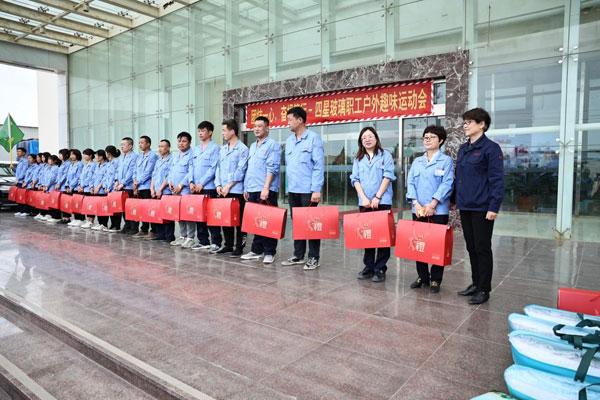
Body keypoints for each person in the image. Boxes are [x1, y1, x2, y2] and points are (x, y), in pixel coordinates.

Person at [454, 108, 505, 305]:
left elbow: (497, 180)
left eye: (469, 122)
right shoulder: (463, 148)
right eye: (464, 122)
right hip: (465, 205)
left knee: (482, 248)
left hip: (482, 207)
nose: (465, 126)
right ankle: (475, 283)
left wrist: (494, 206)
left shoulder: (491, 149)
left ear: (482, 124)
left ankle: (484, 289)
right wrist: (454, 200)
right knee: (471, 247)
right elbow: (459, 178)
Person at [406, 126, 454, 293]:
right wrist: (416, 203)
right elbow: (410, 182)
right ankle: (422, 276)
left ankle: (435, 279)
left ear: (440, 140)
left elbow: (447, 183)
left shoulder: (446, 161)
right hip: (418, 209)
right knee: (419, 242)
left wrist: (433, 204)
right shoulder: (417, 161)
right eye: (425, 137)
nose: (427, 140)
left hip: (438, 210)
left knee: (437, 244)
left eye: (432, 137)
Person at [350, 127, 396, 283]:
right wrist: (363, 198)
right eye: (364, 138)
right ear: (361, 141)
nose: (367, 140)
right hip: (365, 203)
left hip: (382, 201)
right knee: (367, 235)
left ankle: (380, 268)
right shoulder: (358, 159)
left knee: (382, 236)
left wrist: (377, 197)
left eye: (370, 136)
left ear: (376, 139)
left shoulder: (385, 155)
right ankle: (368, 266)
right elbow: (355, 179)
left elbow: (388, 176)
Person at [282, 106, 325, 270]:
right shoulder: (289, 141)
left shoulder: (314, 139)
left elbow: (318, 166)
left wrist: (316, 189)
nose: (288, 123)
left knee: (311, 224)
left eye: (290, 120)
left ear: (300, 120)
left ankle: (314, 257)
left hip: (308, 190)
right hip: (293, 190)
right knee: (298, 224)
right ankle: (298, 255)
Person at [240, 116, 282, 264]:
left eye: (260, 126)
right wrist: (246, 187)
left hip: (266, 190)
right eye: (255, 126)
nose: (257, 129)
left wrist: (266, 188)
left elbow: (273, 168)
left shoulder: (273, 145)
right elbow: (249, 168)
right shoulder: (252, 146)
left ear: (267, 128)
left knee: (268, 221)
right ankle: (256, 250)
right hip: (252, 189)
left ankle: (269, 252)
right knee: (256, 222)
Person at [215, 119, 249, 257]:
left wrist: (228, 185)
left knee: (239, 220)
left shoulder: (243, 149)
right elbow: (218, 168)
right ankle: (228, 245)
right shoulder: (223, 149)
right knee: (226, 219)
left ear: (232, 131)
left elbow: (241, 170)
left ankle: (239, 247)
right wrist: (218, 185)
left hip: (236, 190)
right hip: (223, 190)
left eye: (224, 130)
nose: (222, 133)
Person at [188, 121, 222, 252]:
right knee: (199, 215)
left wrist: (201, 183)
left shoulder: (216, 148)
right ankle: (203, 241)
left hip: (208, 187)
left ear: (210, 132)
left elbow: (214, 168)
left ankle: (216, 242)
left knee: (211, 215)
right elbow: (191, 166)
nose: (200, 133)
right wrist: (191, 182)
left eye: (203, 130)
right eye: (199, 131)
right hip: (195, 187)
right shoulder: (196, 149)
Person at [167, 132, 194, 248]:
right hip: (174, 190)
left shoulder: (191, 155)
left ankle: (190, 238)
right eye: (179, 141)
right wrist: (170, 182)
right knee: (179, 214)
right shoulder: (176, 156)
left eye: (184, 141)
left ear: (189, 142)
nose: (181, 143)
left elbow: (190, 172)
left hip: (185, 190)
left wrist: (181, 185)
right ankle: (182, 236)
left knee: (188, 214)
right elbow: (171, 171)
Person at [132, 135, 158, 239]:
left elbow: (148, 172)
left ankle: (153, 230)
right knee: (142, 209)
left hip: (147, 186)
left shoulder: (152, 156)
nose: (140, 145)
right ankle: (144, 229)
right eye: (139, 143)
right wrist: (135, 182)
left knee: (150, 209)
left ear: (148, 144)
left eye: (142, 143)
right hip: (139, 186)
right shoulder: (139, 156)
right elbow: (135, 170)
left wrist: (137, 182)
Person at [150, 139, 175, 242]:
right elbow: (154, 175)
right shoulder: (158, 161)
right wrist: (152, 189)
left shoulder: (172, 160)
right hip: (156, 191)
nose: (160, 148)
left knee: (167, 214)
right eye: (159, 146)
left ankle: (169, 236)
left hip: (165, 191)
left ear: (168, 148)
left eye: (162, 146)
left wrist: (160, 189)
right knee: (158, 213)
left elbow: (169, 176)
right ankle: (160, 234)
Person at [114, 137, 138, 234]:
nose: (121, 146)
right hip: (121, 186)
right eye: (121, 145)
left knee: (131, 208)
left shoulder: (134, 157)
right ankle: (127, 226)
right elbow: (117, 170)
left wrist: (123, 183)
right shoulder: (122, 157)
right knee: (123, 208)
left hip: (128, 187)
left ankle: (134, 227)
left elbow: (131, 172)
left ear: (130, 146)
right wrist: (116, 181)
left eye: (124, 144)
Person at [104, 146, 122, 233]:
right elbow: (106, 176)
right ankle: (112, 224)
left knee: (116, 208)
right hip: (109, 189)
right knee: (111, 207)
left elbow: (115, 176)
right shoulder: (109, 163)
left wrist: (111, 186)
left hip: (114, 188)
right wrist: (105, 187)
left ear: (108, 153)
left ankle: (117, 225)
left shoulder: (116, 162)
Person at [90, 150, 109, 231]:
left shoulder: (106, 165)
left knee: (103, 207)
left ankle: (104, 224)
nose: (96, 157)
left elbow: (105, 178)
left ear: (103, 156)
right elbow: (93, 177)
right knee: (98, 207)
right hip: (95, 189)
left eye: (98, 156)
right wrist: (92, 186)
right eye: (96, 155)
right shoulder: (98, 166)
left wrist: (98, 187)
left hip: (101, 190)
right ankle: (100, 222)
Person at [78, 149, 97, 229]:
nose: (84, 156)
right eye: (84, 154)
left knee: (90, 205)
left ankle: (91, 221)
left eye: (86, 154)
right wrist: (79, 185)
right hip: (83, 188)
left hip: (88, 188)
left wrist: (82, 185)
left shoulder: (92, 165)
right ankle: (88, 220)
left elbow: (90, 177)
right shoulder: (86, 164)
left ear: (90, 156)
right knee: (86, 205)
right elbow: (81, 176)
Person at [65, 149, 84, 226]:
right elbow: (68, 176)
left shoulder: (80, 164)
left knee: (78, 203)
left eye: (73, 154)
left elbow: (78, 177)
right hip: (70, 187)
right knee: (73, 204)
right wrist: (67, 186)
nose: (72, 156)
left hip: (76, 187)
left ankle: (80, 219)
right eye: (71, 155)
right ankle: (76, 219)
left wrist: (71, 186)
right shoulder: (71, 164)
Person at [15, 153, 37, 217]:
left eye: (30, 158)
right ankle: (22, 210)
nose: (28, 160)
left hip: (28, 184)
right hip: (25, 183)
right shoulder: (30, 166)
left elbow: (31, 176)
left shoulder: (35, 167)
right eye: (28, 158)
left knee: (27, 198)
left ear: (34, 159)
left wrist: (26, 182)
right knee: (22, 197)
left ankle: (27, 211)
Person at [43, 155, 62, 223]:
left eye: (50, 159)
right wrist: (44, 185)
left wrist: (47, 185)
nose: (48, 161)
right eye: (48, 159)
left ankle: (56, 217)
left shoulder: (55, 168)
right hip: (48, 187)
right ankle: (51, 215)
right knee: (50, 202)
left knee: (54, 202)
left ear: (55, 161)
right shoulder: (49, 168)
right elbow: (46, 177)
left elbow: (52, 178)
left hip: (52, 187)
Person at [54, 149, 71, 224]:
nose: (59, 156)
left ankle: (67, 218)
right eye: (59, 154)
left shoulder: (68, 164)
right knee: (62, 202)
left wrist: (59, 183)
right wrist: (57, 182)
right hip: (60, 186)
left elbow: (65, 175)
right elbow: (59, 175)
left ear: (66, 155)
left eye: (61, 154)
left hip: (64, 186)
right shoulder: (62, 163)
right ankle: (64, 217)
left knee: (66, 202)